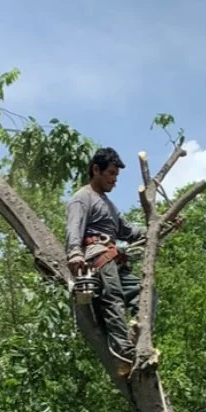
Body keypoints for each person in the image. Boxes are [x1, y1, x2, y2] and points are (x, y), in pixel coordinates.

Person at [65, 148, 142, 373]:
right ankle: (123, 351)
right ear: (95, 169)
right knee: (113, 299)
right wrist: (75, 253)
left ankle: (138, 334)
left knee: (143, 291)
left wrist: (162, 226)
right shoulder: (83, 198)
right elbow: (74, 227)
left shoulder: (108, 205)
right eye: (110, 174)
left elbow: (129, 231)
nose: (114, 180)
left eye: (116, 176)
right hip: (97, 255)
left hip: (115, 258)